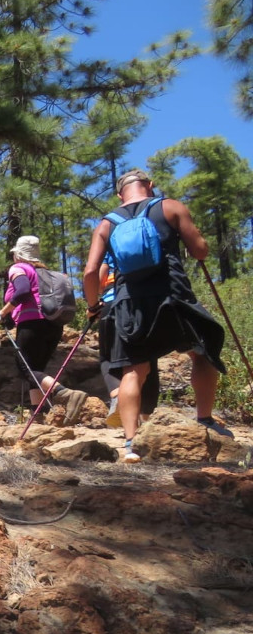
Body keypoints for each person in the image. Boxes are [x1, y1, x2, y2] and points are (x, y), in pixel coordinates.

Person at [83, 169, 232, 463]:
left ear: (119, 194)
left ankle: (130, 444)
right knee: (202, 353)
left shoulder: (106, 224)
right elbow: (200, 250)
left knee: (133, 371)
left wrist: (93, 305)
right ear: (150, 186)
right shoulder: (170, 206)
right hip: (173, 296)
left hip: (129, 303)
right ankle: (204, 419)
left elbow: (90, 272)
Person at [0, 235, 88, 424]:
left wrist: (2, 313)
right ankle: (38, 416)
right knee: (36, 371)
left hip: (32, 323)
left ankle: (64, 394)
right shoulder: (43, 272)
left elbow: (22, 291)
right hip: (53, 325)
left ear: (18, 254)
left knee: (25, 368)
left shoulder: (18, 268)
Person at [96, 262, 159, 428]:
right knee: (148, 359)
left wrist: (95, 299)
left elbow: (98, 274)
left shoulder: (111, 241)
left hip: (112, 302)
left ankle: (118, 397)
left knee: (107, 356)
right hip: (145, 303)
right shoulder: (151, 237)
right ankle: (147, 417)